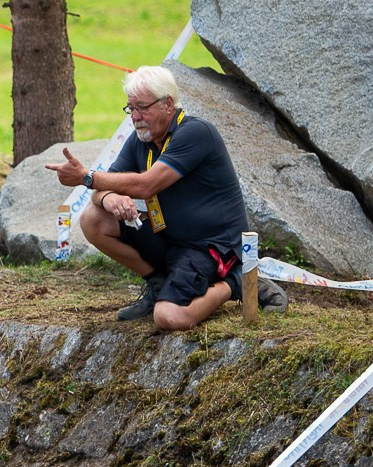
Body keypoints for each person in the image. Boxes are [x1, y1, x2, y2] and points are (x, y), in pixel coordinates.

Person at [44, 65, 286, 328]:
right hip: (169, 237)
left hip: (209, 247)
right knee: (93, 218)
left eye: (142, 107)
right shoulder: (141, 140)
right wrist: (108, 198)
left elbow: (146, 185)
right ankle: (159, 284)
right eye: (130, 108)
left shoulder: (196, 133)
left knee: (168, 316)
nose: (135, 117)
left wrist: (87, 178)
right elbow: (103, 188)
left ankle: (235, 281)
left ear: (168, 104)